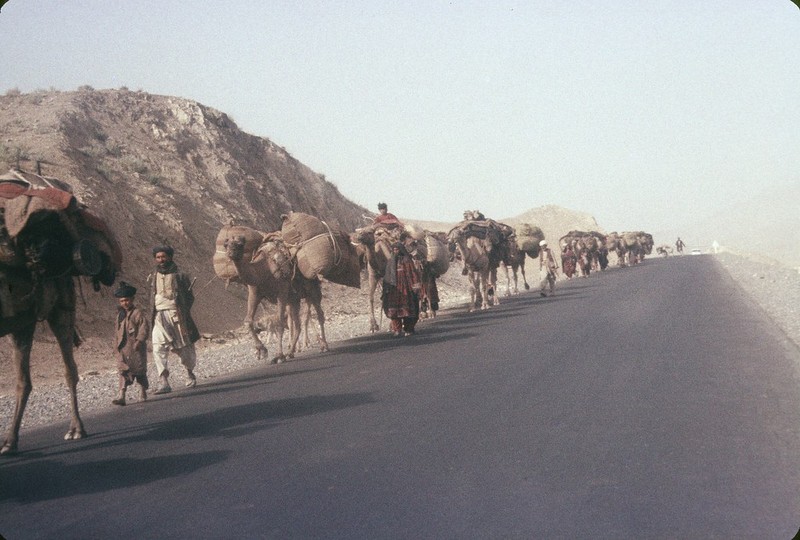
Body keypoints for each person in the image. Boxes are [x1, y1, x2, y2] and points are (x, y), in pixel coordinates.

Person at [148, 245, 200, 394]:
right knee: (158, 347)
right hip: (159, 316)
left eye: (163, 257)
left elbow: (189, 298)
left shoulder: (180, 275)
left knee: (185, 347)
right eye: (158, 257)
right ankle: (163, 380)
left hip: (176, 316)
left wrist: (182, 312)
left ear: (170, 257)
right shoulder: (153, 276)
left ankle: (189, 372)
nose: (161, 260)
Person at [112, 281, 150, 406]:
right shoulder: (119, 315)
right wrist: (116, 347)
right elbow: (117, 332)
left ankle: (142, 391)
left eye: (127, 300)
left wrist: (139, 340)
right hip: (123, 348)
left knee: (139, 371)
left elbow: (144, 327)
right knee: (123, 371)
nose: (125, 303)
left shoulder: (137, 313)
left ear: (132, 299)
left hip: (136, 348)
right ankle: (121, 395)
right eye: (122, 301)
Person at [382, 236, 422, 337]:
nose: (395, 251)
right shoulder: (391, 262)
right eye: (394, 249)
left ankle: (408, 329)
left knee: (408, 311)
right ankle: (397, 329)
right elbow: (387, 276)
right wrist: (386, 288)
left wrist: (415, 287)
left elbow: (413, 274)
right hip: (394, 289)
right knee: (393, 311)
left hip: (407, 288)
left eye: (397, 249)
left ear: (400, 250)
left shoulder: (407, 260)